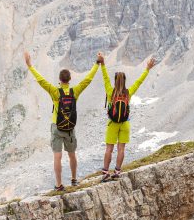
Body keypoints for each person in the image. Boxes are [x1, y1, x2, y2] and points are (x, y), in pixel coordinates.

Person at [24, 51, 100, 191]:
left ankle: (59, 184)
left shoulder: (54, 91)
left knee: (57, 157)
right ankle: (74, 179)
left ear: (60, 80)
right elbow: (88, 79)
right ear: (70, 79)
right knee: (72, 155)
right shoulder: (75, 91)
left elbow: (41, 81)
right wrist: (97, 64)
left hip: (57, 127)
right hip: (70, 129)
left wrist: (30, 66)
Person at [98, 52, 157, 182]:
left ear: (115, 81)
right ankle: (117, 171)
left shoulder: (110, 92)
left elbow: (105, 78)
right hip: (125, 124)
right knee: (121, 148)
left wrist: (102, 64)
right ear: (124, 81)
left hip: (112, 123)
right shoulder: (128, 93)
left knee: (109, 148)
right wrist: (147, 69)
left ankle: (105, 173)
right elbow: (139, 82)